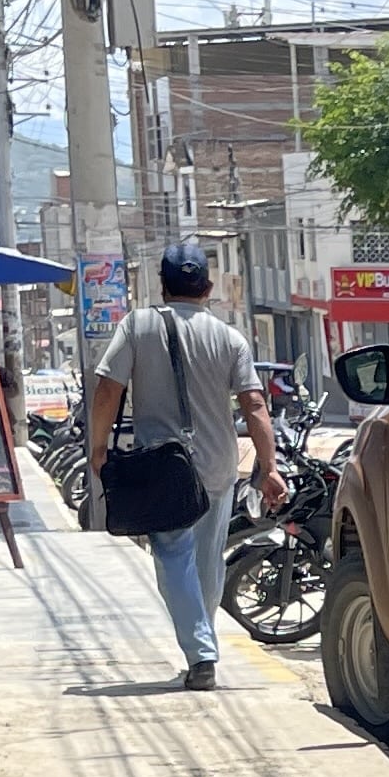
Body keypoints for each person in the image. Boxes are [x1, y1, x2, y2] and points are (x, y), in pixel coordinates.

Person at [90, 242, 276, 691]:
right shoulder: (230, 338)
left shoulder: (137, 326)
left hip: (164, 466)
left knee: (173, 555)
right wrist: (268, 466)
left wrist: (97, 448)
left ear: (162, 284)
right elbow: (254, 404)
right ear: (207, 288)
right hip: (219, 465)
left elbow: (106, 390)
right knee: (208, 560)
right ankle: (202, 648)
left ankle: (201, 652)